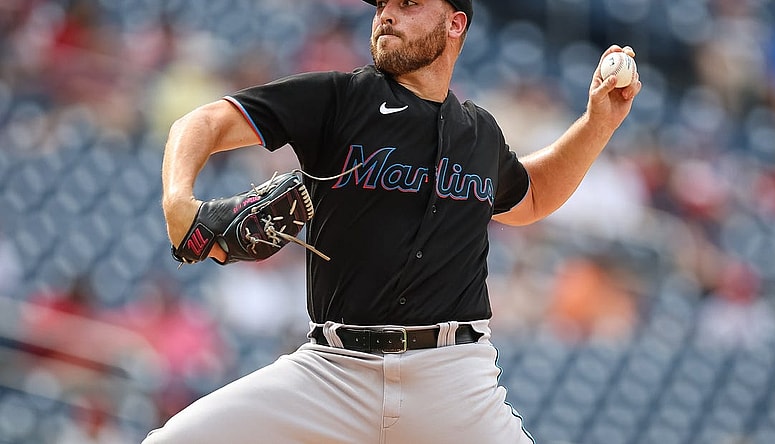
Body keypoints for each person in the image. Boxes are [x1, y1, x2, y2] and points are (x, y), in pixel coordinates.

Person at [147, 0, 641, 442]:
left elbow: (530, 196)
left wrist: (599, 123)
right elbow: (203, 122)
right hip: (333, 372)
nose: (387, 14)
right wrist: (177, 201)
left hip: (452, 380)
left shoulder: (479, 133)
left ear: (455, 23)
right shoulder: (338, 99)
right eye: (382, 4)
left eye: (407, 3)